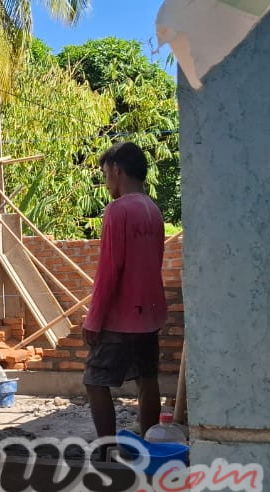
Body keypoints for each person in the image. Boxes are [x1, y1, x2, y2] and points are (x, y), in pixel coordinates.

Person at [83, 142, 168, 441]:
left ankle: (106, 448)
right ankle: (151, 445)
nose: (106, 181)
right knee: (147, 380)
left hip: (122, 318)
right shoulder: (153, 210)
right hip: (150, 316)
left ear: (117, 170)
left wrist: (93, 320)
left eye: (106, 173)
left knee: (95, 381)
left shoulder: (118, 210)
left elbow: (109, 271)